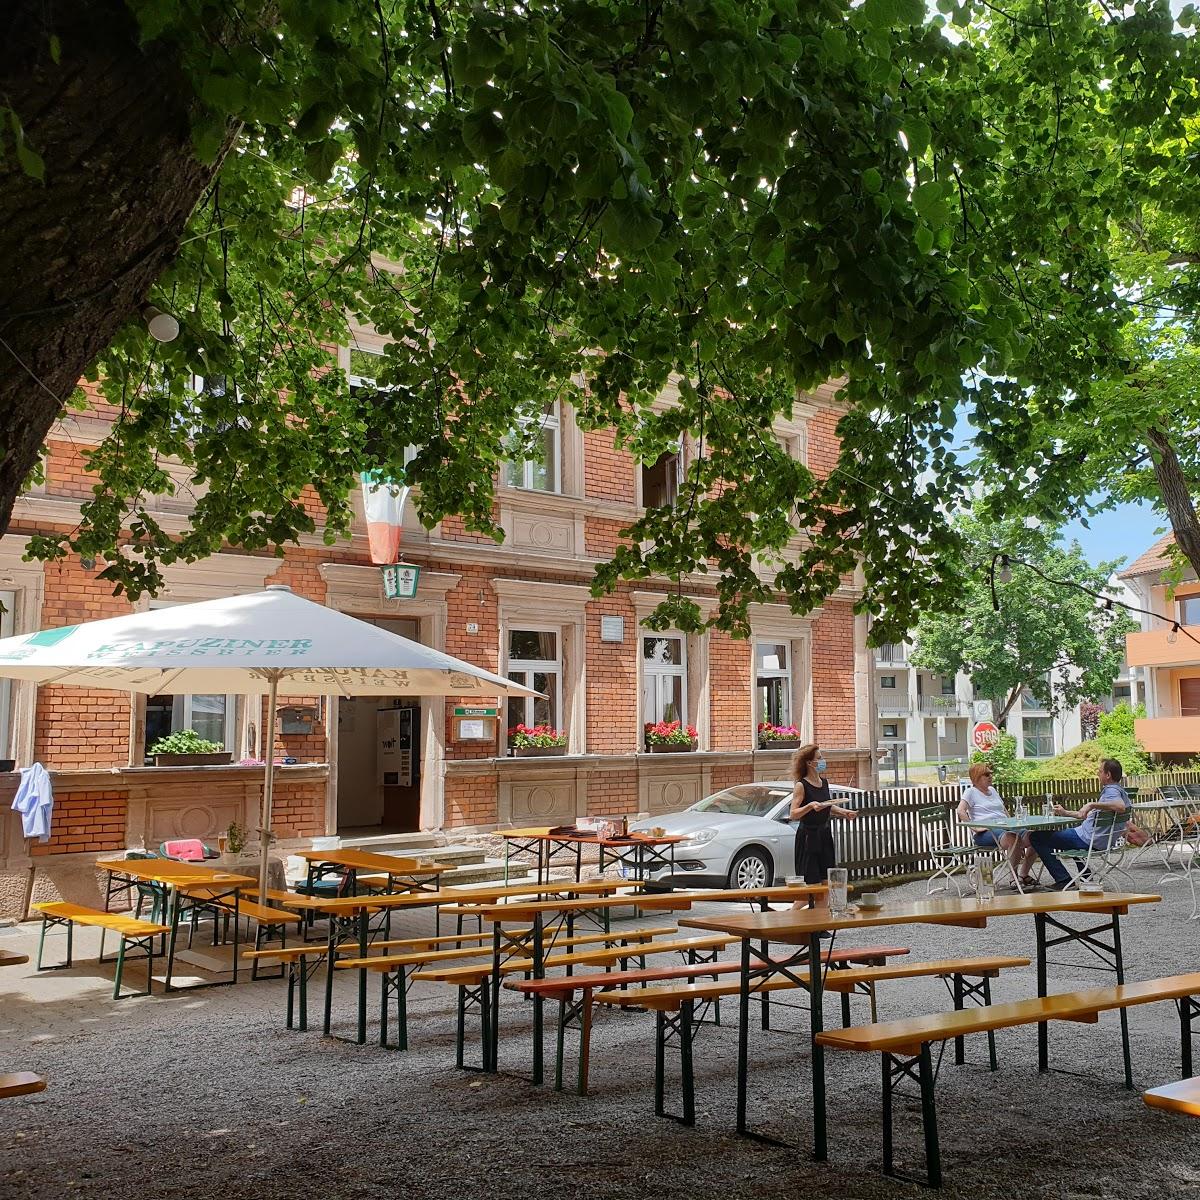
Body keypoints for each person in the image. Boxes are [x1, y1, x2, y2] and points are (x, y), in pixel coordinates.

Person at [1029, 758, 1131, 890]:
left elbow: (1120, 806)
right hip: (1101, 840)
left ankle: (1063, 880)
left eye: (1099, 771)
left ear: (1108, 775)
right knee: (1070, 840)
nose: (1097, 774)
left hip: (1088, 840)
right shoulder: (1122, 791)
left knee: (1036, 837)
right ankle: (1086, 879)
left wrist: (1091, 804)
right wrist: (1065, 812)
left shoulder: (1111, 791)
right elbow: (1086, 815)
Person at [957, 762, 1039, 890]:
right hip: (985, 832)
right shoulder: (970, 792)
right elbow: (960, 811)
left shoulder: (993, 790)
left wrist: (1012, 822)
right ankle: (1013, 878)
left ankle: (1023, 874)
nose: (990, 776)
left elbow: (1003, 810)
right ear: (976, 776)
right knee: (1013, 839)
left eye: (991, 774)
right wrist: (974, 827)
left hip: (1006, 827)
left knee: (1035, 837)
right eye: (986, 774)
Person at [790, 743, 858, 884]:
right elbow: (793, 814)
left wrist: (844, 812)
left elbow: (826, 805)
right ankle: (794, 908)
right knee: (811, 885)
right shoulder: (801, 785)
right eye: (819, 758)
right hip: (809, 836)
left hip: (824, 834)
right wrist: (809, 806)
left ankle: (822, 907)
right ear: (809, 762)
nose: (822, 761)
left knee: (827, 882)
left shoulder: (824, 783)